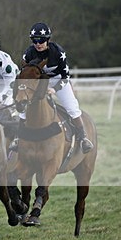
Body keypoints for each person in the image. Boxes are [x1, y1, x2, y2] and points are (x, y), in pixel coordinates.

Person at [22, 21, 94, 154]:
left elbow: (65, 77)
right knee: (23, 105)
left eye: (41, 40)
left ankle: (83, 138)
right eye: (35, 40)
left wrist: (54, 89)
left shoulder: (58, 52)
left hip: (58, 80)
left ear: (48, 40)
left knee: (72, 108)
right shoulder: (28, 54)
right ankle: (18, 138)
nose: (38, 44)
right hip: (39, 81)